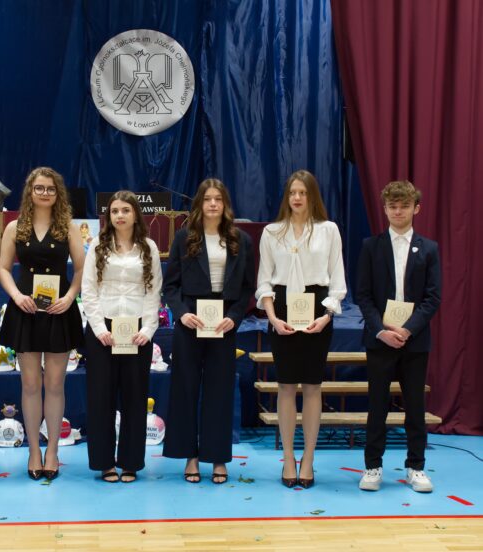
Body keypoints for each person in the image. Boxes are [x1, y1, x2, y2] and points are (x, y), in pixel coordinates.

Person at [255, 169, 346, 489]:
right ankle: (289, 457)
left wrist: (326, 316)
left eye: (303, 193)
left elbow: (337, 281)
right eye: (292, 192)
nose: (297, 198)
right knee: (285, 386)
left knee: (312, 386)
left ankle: (308, 458)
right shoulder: (272, 232)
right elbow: (264, 282)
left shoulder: (328, 230)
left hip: (317, 310)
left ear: (312, 196)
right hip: (281, 310)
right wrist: (272, 317)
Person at [163, 178, 255, 484]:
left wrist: (234, 317)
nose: (213, 204)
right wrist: (182, 314)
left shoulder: (241, 240)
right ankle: (190, 456)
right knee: (186, 388)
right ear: (199, 204)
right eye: (207, 199)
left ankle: (217, 457)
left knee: (220, 391)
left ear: (225, 204)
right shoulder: (183, 237)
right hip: (191, 320)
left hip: (224, 323)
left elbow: (247, 287)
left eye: (218, 199)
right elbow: (171, 286)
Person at [0, 167, 84, 480]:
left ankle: (53, 451)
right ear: (30, 192)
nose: (45, 193)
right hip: (27, 310)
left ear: (58, 193)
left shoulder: (68, 227)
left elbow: (81, 270)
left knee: (55, 384)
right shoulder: (15, 227)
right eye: (39, 188)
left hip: (59, 311)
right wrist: (16, 296)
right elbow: (3, 269)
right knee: (31, 384)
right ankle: (34, 450)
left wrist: (71, 297)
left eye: (50, 188)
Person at [355, 180, 441, 493]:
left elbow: (433, 297)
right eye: (393, 206)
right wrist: (380, 330)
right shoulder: (371, 246)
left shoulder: (429, 248)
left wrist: (407, 329)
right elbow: (363, 295)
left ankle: (416, 467)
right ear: (385, 209)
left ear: (416, 208)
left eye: (404, 206)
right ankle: (372, 466)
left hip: (414, 341)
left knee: (415, 406)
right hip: (380, 340)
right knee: (377, 405)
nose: (398, 211)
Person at [81, 191, 163, 483]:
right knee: (101, 399)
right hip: (103, 330)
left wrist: (148, 330)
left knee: (134, 398)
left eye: (125, 210)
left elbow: (154, 291)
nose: (119, 215)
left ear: (135, 214)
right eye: (114, 210)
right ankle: (104, 463)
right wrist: (99, 329)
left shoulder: (149, 247)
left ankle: (130, 462)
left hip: (137, 331)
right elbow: (88, 290)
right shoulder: (97, 245)